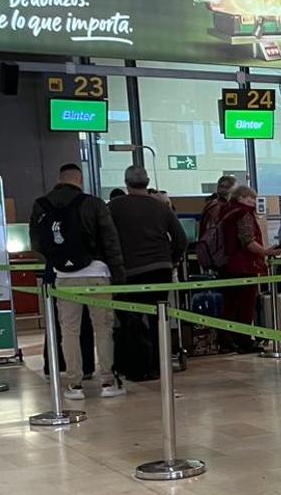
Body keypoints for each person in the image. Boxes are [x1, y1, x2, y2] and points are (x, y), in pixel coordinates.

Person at [29, 163, 126, 400]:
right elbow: (110, 242)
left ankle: (74, 384)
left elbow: (37, 244)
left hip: (63, 276)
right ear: (79, 179)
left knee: (68, 331)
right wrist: (119, 275)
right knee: (102, 328)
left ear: (59, 179)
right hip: (97, 272)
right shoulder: (93, 203)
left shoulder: (41, 205)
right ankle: (107, 382)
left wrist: (58, 261)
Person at [109, 164, 188, 375]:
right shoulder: (161, 207)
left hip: (129, 271)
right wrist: (171, 260)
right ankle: (159, 365)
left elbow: (105, 238)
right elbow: (181, 239)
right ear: (148, 182)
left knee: (130, 318)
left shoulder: (115, 207)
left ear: (126, 184)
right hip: (160, 270)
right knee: (159, 319)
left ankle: (136, 366)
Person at [214, 185, 269, 351]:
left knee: (230, 305)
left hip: (226, 265)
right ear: (240, 198)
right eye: (249, 198)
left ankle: (225, 340)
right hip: (244, 266)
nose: (252, 201)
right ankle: (244, 340)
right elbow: (248, 242)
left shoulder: (225, 212)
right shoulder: (243, 213)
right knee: (246, 305)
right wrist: (266, 252)